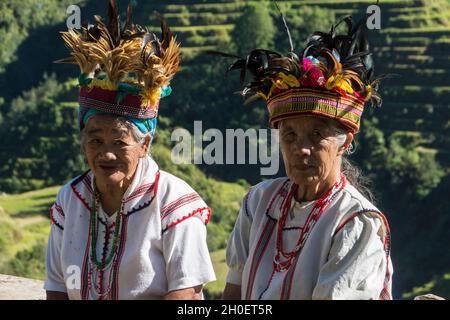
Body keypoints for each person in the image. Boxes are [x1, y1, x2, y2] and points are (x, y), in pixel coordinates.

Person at [44, 1, 215, 300]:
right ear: (83, 143)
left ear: (144, 145)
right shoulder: (70, 200)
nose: (106, 154)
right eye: (95, 140)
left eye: (120, 142)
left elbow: (185, 295)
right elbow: (57, 288)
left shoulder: (174, 204)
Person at [217, 13, 393, 300]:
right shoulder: (259, 202)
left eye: (316, 135)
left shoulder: (355, 222)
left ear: (345, 141)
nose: (301, 149)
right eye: (290, 136)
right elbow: (233, 295)